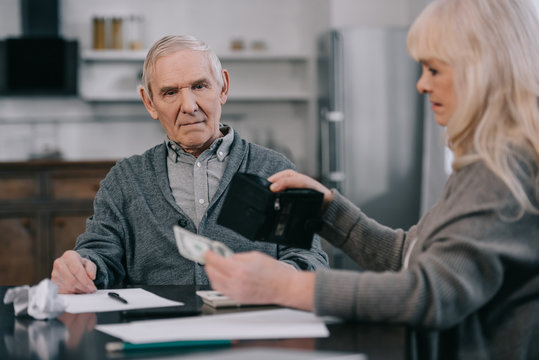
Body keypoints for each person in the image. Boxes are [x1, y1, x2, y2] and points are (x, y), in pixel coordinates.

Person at [205, 0, 539, 358]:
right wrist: (327, 209)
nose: (421, 84)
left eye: (434, 69)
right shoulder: (484, 166)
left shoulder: (503, 173)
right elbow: (409, 256)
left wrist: (285, 286)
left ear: (483, 71)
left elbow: (430, 293)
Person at [50, 35, 328, 294]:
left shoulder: (275, 169)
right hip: (158, 340)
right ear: (150, 102)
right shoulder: (124, 180)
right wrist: (82, 265)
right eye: (170, 93)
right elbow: (100, 252)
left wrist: (283, 275)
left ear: (223, 87)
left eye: (200, 86)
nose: (189, 105)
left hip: (251, 334)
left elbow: (309, 257)